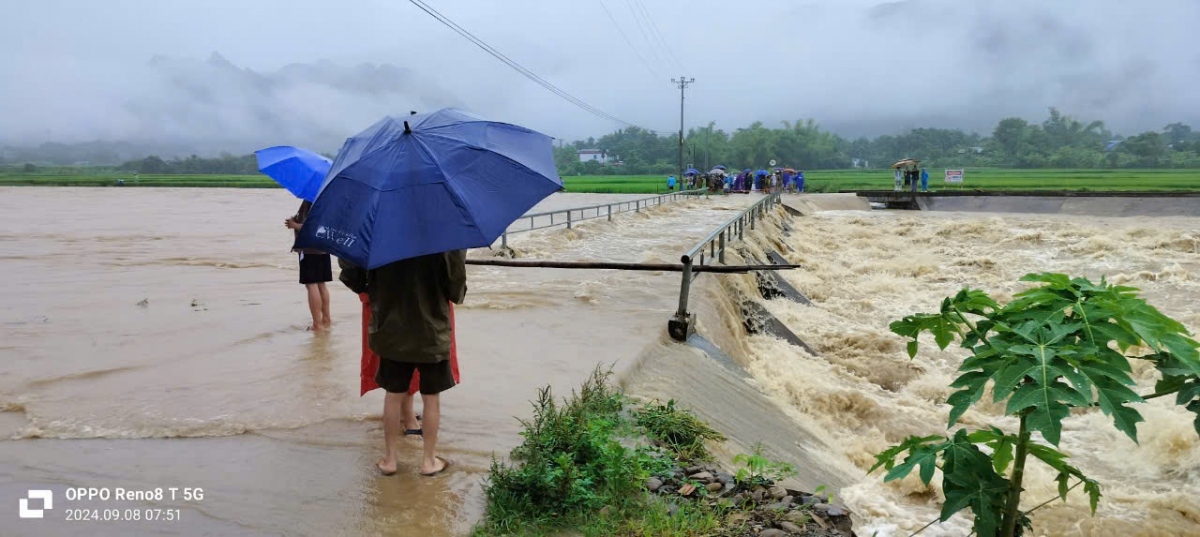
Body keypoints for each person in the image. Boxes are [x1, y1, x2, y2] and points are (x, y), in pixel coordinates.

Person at [342, 250, 466, 477]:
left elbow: (351, 272)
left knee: (393, 393)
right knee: (431, 397)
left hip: (391, 330)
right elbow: (457, 292)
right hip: (432, 333)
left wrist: (372, 289)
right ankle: (429, 461)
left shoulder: (383, 238)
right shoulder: (442, 243)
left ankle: (390, 460)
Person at [285, 200, 332, 331]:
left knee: (311, 284)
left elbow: (312, 227)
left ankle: (317, 324)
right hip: (323, 247)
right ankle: (326, 319)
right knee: (321, 283)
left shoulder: (311, 198)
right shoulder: (327, 197)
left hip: (309, 249)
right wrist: (296, 220)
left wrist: (295, 225)